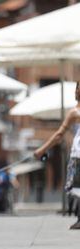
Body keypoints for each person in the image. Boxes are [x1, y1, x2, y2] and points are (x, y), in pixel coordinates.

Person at [34, 81, 80, 229]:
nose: (75, 92)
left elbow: (60, 134)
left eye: (77, 89)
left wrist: (42, 150)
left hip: (78, 156)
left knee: (75, 186)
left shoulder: (75, 112)